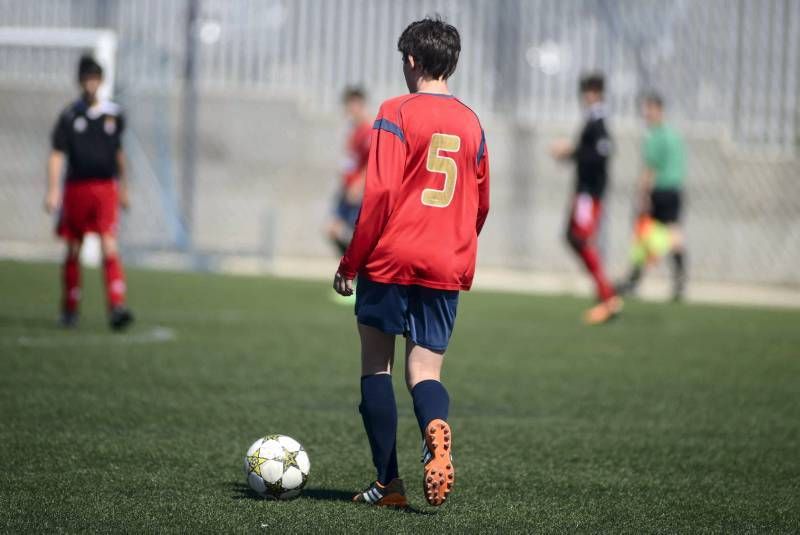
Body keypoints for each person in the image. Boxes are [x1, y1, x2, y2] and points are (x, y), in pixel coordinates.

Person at [332, 17, 490, 508]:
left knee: (376, 367)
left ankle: (389, 485)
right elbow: (481, 202)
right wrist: (456, 246)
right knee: (425, 371)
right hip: (446, 261)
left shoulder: (395, 111)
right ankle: (435, 428)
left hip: (392, 257)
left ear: (411, 60)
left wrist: (351, 261)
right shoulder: (471, 121)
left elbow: (378, 193)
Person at [44, 55, 134, 331]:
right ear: (80, 82)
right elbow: (57, 154)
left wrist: (125, 188)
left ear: (102, 81)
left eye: (95, 78)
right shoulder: (70, 116)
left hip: (105, 189)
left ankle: (116, 305)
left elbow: (119, 154)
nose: (91, 84)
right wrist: (53, 190)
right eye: (87, 79)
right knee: (73, 248)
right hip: (76, 189)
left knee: (109, 243)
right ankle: (70, 307)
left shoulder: (114, 114)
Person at [550, 73, 621, 325]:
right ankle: (606, 294)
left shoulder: (599, 120)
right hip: (584, 192)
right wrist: (571, 154)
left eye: (589, 91)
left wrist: (571, 151)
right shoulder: (592, 119)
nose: (585, 96)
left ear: (597, 93)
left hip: (589, 194)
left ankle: (608, 296)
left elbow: (602, 153)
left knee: (580, 238)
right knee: (573, 237)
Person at [615, 92, 687, 301]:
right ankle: (679, 280)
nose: (646, 114)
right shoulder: (673, 135)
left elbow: (651, 168)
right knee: (674, 234)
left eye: (649, 109)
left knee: (644, 233)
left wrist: (643, 194)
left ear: (658, 110)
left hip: (660, 190)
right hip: (675, 189)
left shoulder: (655, 135)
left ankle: (633, 279)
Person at [326, 87, 372, 256]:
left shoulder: (368, 130)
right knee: (333, 229)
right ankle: (351, 270)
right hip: (347, 189)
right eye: (347, 105)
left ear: (361, 105)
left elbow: (372, 162)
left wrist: (359, 185)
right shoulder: (352, 130)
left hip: (358, 192)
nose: (349, 110)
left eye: (352, 105)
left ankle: (356, 271)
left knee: (356, 236)